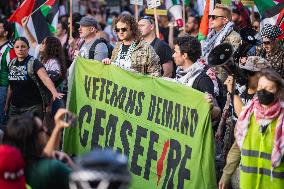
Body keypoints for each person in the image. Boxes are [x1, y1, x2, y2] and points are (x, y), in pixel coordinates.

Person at [218, 57, 271, 189]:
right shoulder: (243, 91)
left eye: (251, 73)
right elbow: (241, 139)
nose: (247, 76)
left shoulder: (268, 99)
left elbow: (245, 117)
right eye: (246, 72)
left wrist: (233, 92)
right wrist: (226, 174)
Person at [235, 69, 284, 189]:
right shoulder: (247, 115)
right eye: (261, 87)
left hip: (274, 184)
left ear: (277, 91)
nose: (263, 91)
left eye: (269, 88)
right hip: (248, 183)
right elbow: (238, 145)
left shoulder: (281, 118)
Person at [3, 109, 74, 189]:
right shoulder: (52, 168)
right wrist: (71, 163)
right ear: (32, 140)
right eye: (42, 129)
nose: (46, 130)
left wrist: (57, 127)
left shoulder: (11, 169)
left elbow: (45, 155)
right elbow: (83, 182)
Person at [5, 37, 63, 119]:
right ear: (14, 49)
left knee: (33, 132)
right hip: (14, 108)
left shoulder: (34, 63)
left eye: (23, 46)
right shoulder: (12, 63)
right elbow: (11, 86)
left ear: (28, 49)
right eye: (17, 47)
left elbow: (46, 79)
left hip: (32, 108)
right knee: (14, 131)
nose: (20, 49)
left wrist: (55, 93)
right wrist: (7, 104)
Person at [173, 36, 221, 120]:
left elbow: (217, 113)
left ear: (184, 55)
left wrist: (209, 107)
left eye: (176, 52)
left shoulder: (203, 79)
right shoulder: (180, 74)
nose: (173, 55)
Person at [202, 4, 241, 82]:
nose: (210, 19)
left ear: (225, 20)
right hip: (209, 79)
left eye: (214, 17)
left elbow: (233, 63)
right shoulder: (210, 37)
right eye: (209, 16)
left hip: (225, 82)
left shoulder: (234, 37)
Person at [0, 19, 16, 124]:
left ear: (6, 33)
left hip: (3, 88)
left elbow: (13, 76)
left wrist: (7, 102)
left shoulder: (10, 50)